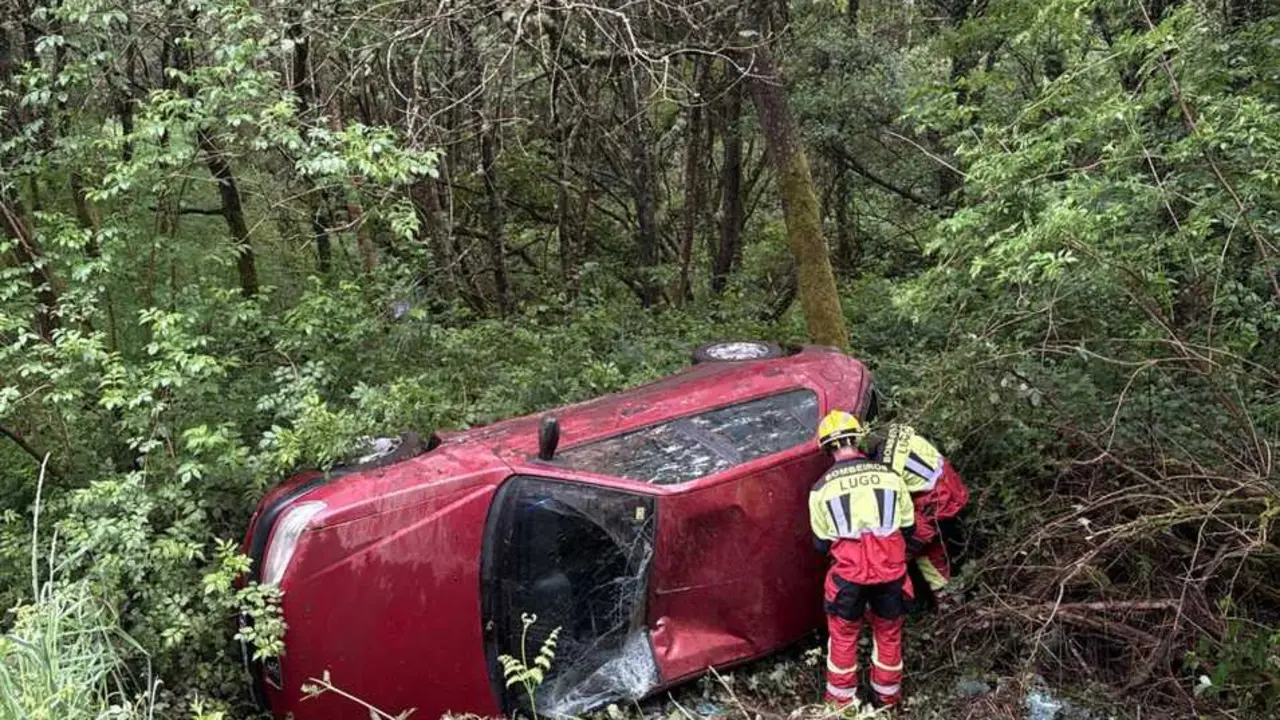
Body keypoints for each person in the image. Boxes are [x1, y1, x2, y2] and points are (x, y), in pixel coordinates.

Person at [810, 410, 916, 709]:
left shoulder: (820, 489)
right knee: (889, 634)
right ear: (857, 439)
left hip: (848, 578)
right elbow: (908, 526)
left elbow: (820, 543)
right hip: (891, 573)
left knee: (843, 638)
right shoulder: (890, 477)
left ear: (827, 447)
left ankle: (841, 706)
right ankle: (887, 700)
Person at [870, 424, 969, 609]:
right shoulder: (897, 430)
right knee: (934, 548)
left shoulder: (886, 463)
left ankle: (947, 602)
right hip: (950, 489)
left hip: (936, 502)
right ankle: (951, 596)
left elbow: (891, 502)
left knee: (910, 550)